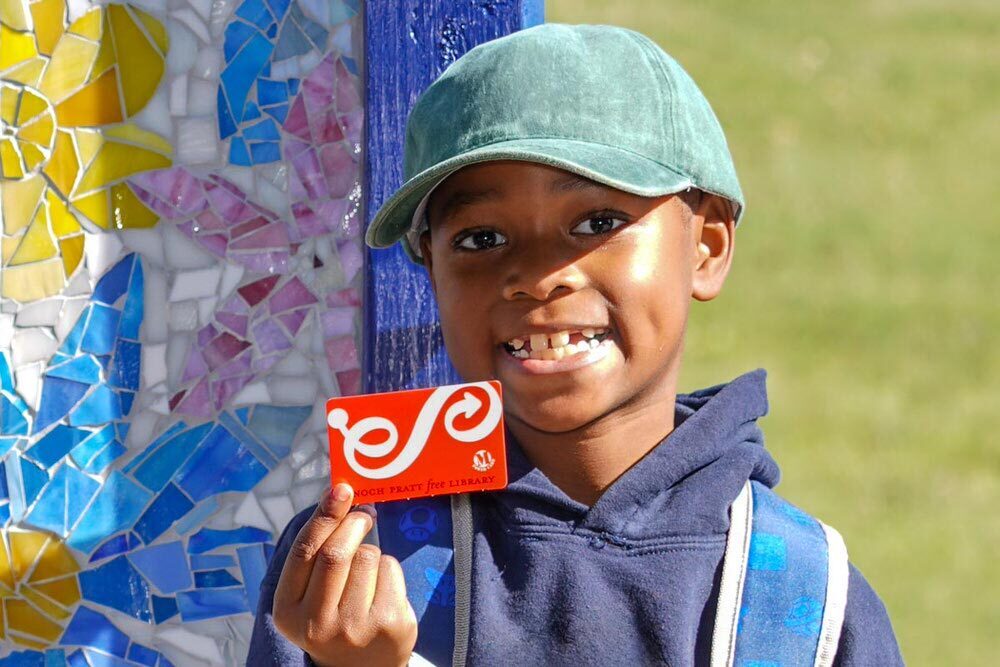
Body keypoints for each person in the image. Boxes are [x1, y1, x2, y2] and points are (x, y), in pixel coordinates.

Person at [248, 23, 903, 666]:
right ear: (431, 271)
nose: (537, 277)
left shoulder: (806, 601)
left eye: (597, 221)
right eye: (480, 238)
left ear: (705, 246)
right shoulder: (354, 566)